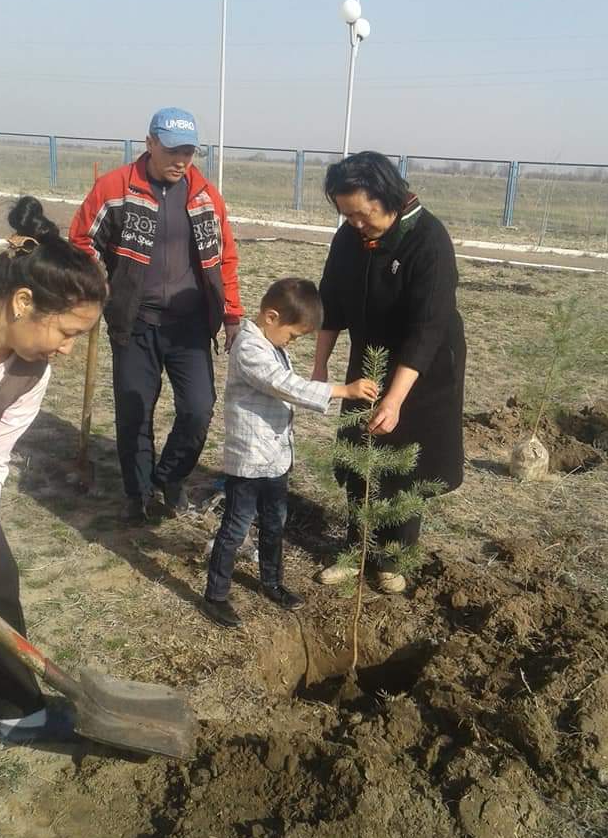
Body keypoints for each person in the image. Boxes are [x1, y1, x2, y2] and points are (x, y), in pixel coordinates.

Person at [0, 197, 107, 743]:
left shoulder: (29, 375)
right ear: (24, 302)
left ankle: (21, 714)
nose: (68, 348)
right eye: (68, 332)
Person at [69, 107, 243, 524]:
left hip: (189, 327)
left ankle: (169, 477)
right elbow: (82, 240)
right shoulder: (115, 188)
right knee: (134, 412)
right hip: (135, 322)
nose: (180, 161)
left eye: (187, 151)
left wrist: (232, 314)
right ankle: (139, 492)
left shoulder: (205, 194)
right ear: (149, 144)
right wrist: (98, 286)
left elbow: (226, 258)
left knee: (198, 409)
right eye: (171, 151)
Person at [312, 151, 466, 594]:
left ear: (387, 196)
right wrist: (322, 365)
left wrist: (395, 399)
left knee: (404, 461)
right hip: (369, 354)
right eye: (347, 215)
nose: (355, 224)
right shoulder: (349, 239)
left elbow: (427, 328)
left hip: (423, 366)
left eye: (362, 214)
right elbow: (331, 302)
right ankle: (355, 550)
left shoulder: (429, 240)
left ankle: (392, 558)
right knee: (359, 449)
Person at [202, 278, 378, 628]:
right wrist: (343, 389)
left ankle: (272, 582)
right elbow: (283, 384)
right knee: (236, 527)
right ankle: (216, 595)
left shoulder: (272, 344)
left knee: (274, 522)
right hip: (250, 461)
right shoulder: (249, 348)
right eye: (293, 336)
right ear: (271, 316)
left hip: (276, 459)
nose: (292, 342)